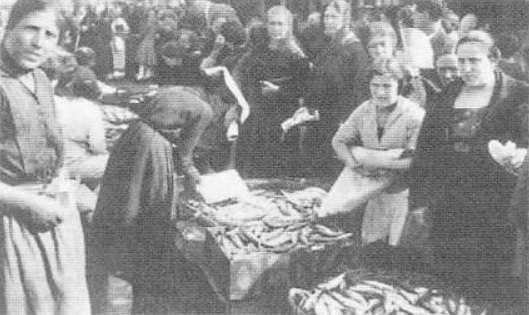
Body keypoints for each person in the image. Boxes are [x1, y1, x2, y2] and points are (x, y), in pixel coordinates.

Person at [409, 30, 529, 302]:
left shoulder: (519, 94)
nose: (465, 68)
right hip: (448, 204)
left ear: (494, 58)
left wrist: (521, 153)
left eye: (473, 60)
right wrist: (418, 200)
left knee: (490, 281)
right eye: (461, 61)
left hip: (495, 206)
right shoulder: (448, 93)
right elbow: (425, 150)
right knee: (448, 279)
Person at [0, 0, 91, 313]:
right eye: (30, 29)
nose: (39, 42)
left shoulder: (39, 78)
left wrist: (61, 182)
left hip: (54, 214)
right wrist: (29, 203)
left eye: (50, 35)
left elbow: (49, 141)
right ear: (9, 28)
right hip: (12, 219)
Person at [90, 86, 215, 314]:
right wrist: (195, 177)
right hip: (151, 148)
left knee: (125, 198)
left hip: (132, 137)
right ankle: (143, 253)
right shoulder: (205, 111)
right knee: (150, 203)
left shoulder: (174, 95)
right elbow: (185, 155)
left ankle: (119, 245)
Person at [315, 57, 425, 247]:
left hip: (404, 191)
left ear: (400, 86)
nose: (380, 92)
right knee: (371, 245)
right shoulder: (365, 110)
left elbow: (414, 160)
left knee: (400, 245)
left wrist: (370, 158)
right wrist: (355, 164)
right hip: (373, 190)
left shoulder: (414, 114)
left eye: (387, 86)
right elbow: (339, 141)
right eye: (375, 85)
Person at [235, 6, 310, 178]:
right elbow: (245, 75)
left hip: (282, 114)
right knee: (253, 158)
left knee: (279, 160)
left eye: (280, 24)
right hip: (257, 114)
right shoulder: (258, 51)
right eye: (272, 24)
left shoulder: (297, 56)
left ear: (288, 26)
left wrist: (279, 90)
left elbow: (304, 88)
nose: (276, 28)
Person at [302, 0, 370, 177]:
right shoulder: (328, 45)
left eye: (334, 16)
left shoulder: (354, 50)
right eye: (326, 16)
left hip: (341, 119)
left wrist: (346, 120)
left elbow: (358, 90)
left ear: (345, 18)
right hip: (322, 117)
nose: (329, 21)